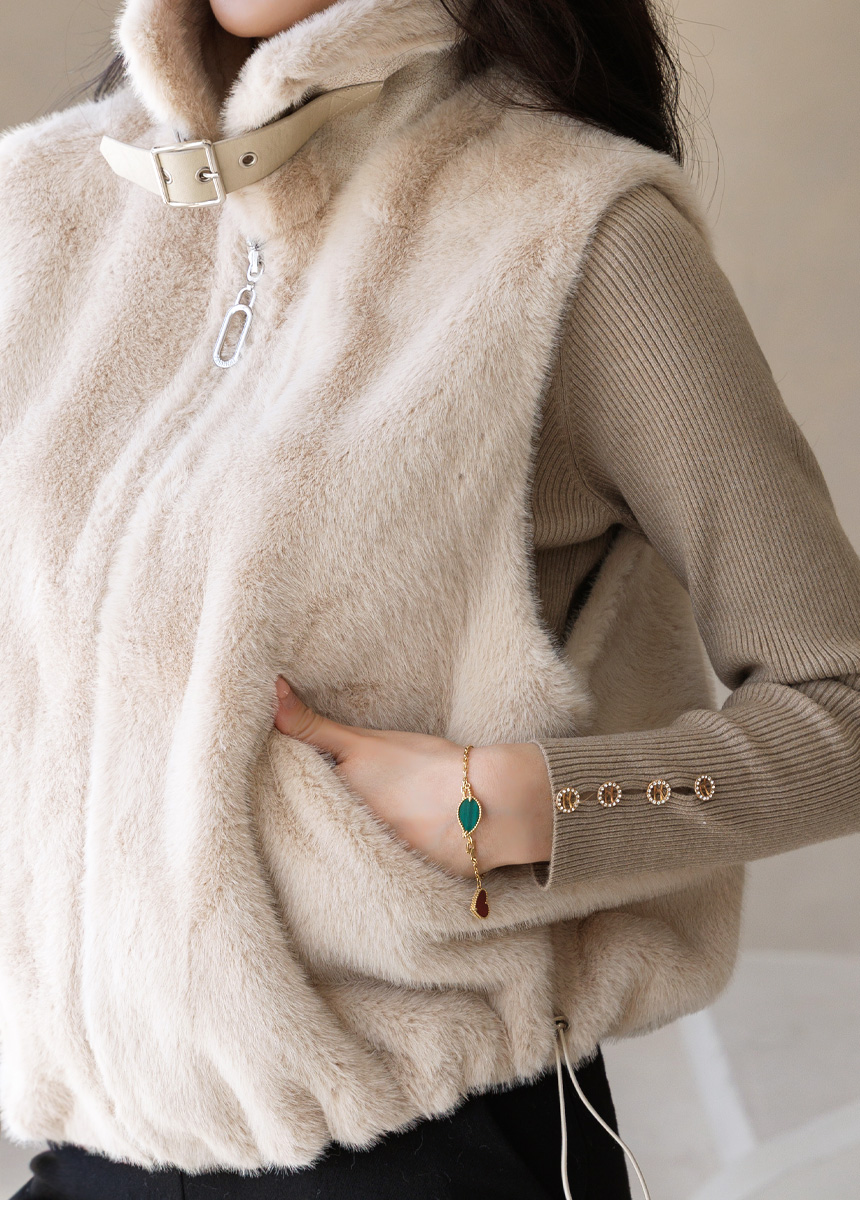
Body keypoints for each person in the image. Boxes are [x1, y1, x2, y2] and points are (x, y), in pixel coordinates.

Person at [2, 0, 859, 1203]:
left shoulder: (573, 233)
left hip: (422, 1154)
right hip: (95, 1155)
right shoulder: (43, 206)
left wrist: (516, 807)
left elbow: (841, 698)